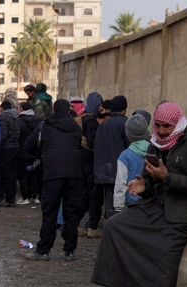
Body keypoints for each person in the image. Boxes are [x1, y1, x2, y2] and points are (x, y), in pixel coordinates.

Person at [88, 102, 187, 287]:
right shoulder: (155, 143)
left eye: (167, 126)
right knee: (115, 225)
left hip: (185, 211)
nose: (162, 130)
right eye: (157, 125)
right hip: (156, 204)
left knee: (165, 250)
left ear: (177, 124)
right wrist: (143, 185)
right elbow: (149, 178)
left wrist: (167, 177)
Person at [24, 99, 84, 261]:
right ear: (68, 111)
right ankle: (69, 251)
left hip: (51, 174)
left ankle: (43, 250)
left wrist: (43, 152)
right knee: (71, 212)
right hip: (74, 174)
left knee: (50, 212)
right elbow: (78, 144)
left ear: (53, 110)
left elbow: (29, 145)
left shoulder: (44, 126)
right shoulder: (76, 127)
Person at [93, 95, 129, 220]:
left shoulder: (103, 124)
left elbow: (96, 146)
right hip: (119, 171)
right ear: (124, 109)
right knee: (120, 205)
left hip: (104, 170)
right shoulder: (125, 123)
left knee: (110, 203)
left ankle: (110, 231)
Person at [113, 113, 150, 213]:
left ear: (128, 135)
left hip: (131, 204)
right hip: (150, 203)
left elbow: (121, 183)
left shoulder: (125, 156)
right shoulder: (153, 152)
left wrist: (118, 207)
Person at [80, 92, 104, 237]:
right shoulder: (91, 121)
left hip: (82, 162)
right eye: (100, 104)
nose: (101, 108)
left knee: (84, 195)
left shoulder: (84, 118)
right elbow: (91, 141)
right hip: (90, 163)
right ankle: (92, 227)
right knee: (95, 195)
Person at [0, 100, 21, 207]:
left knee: (5, 174)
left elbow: (3, 135)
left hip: (6, 149)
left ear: (2, 108)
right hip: (16, 147)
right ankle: (12, 197)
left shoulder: (4, 118)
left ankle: (8, 198)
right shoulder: (16, 117)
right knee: (12, 174)